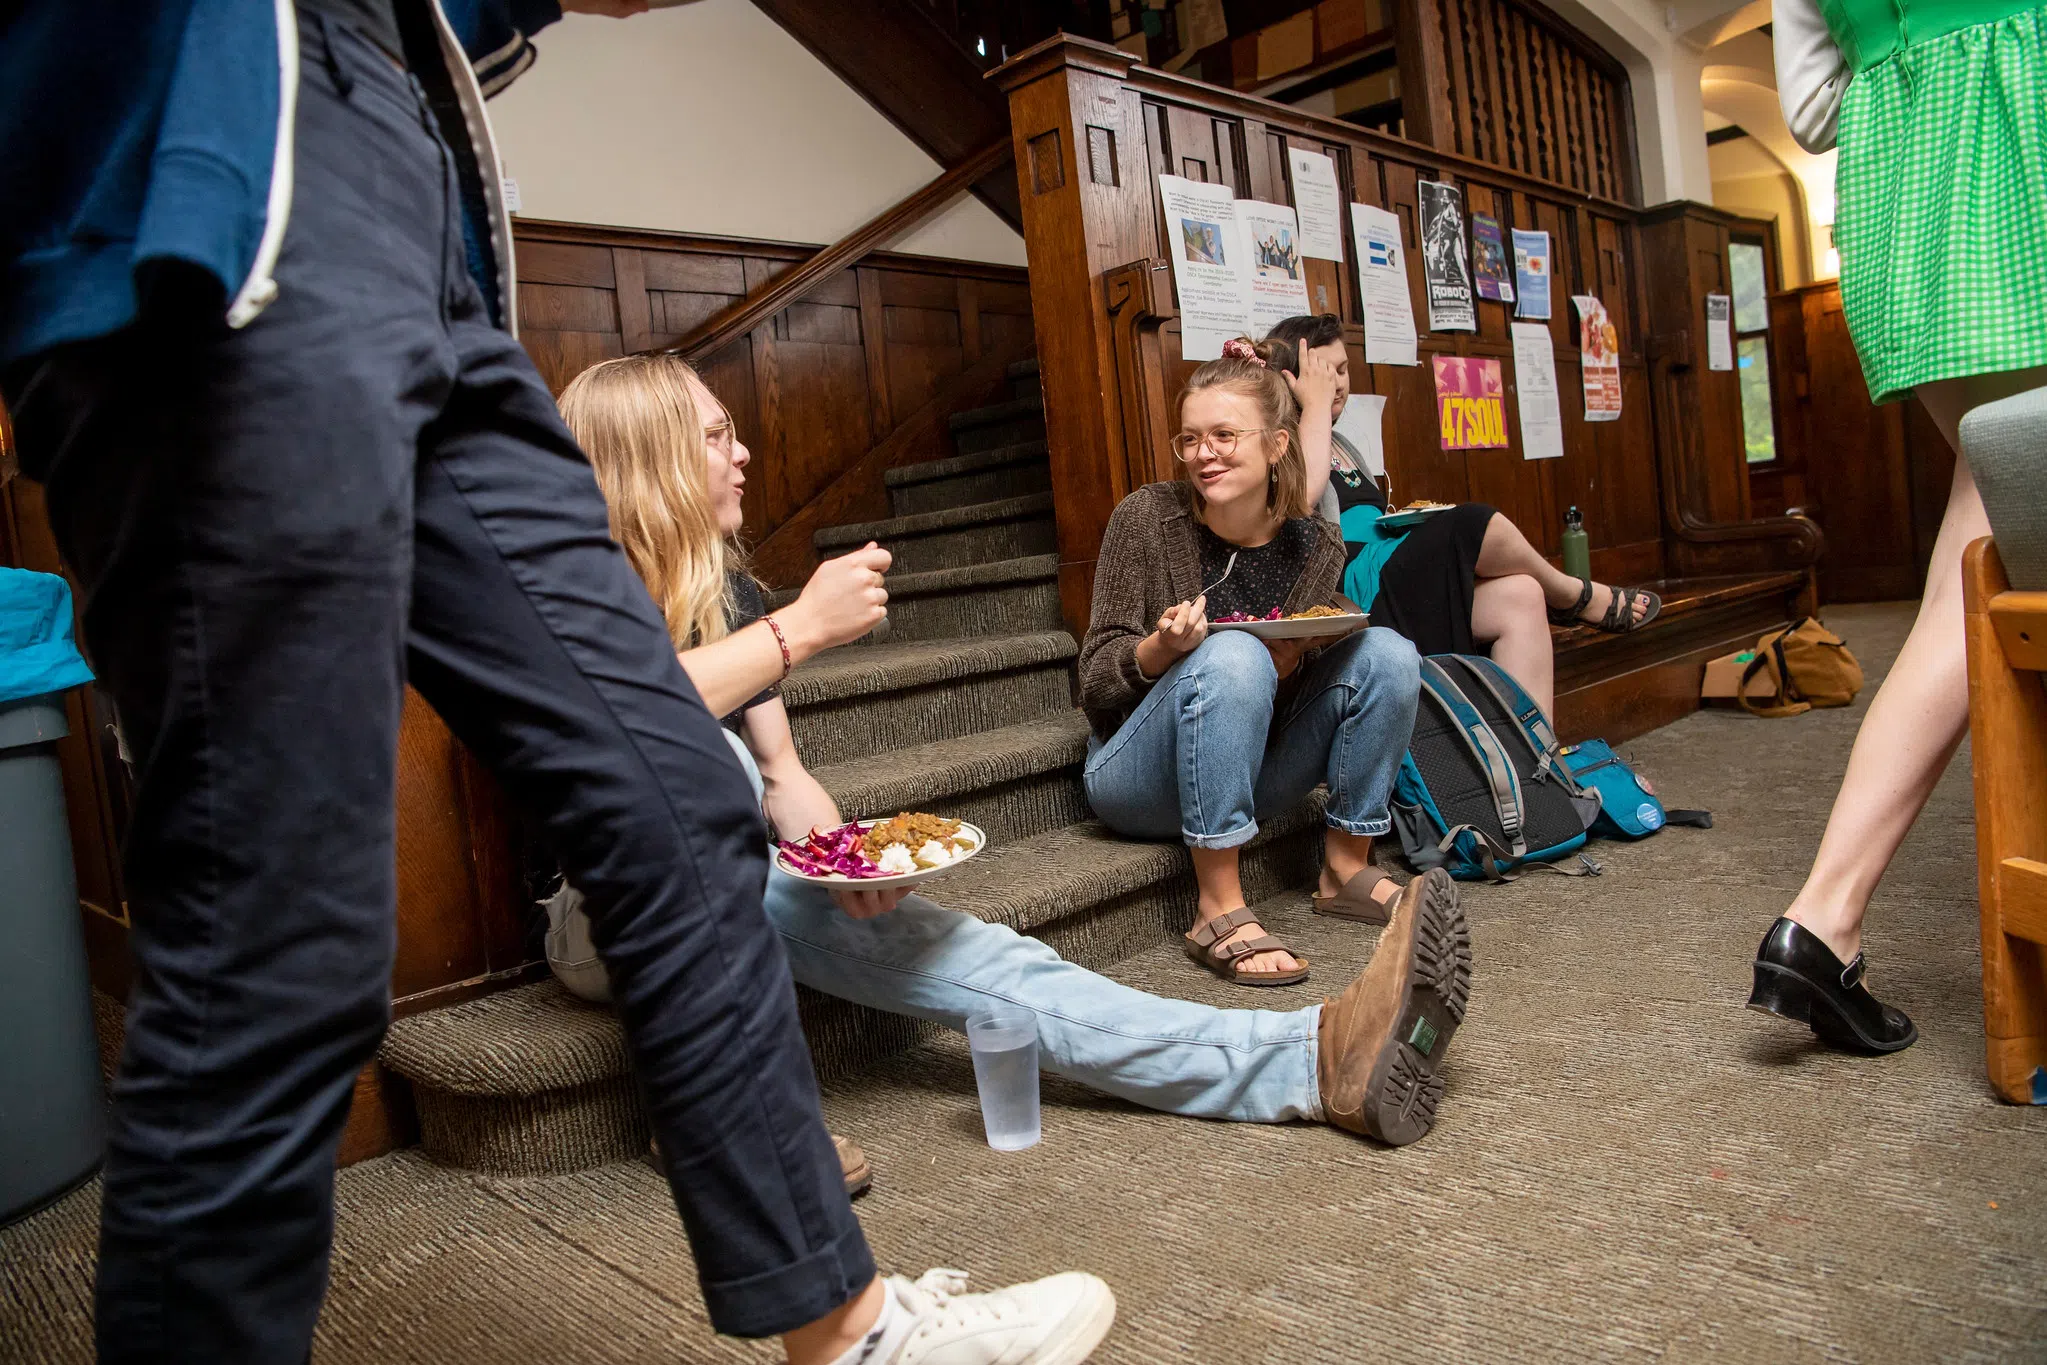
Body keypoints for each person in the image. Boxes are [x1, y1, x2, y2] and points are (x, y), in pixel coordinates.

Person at [0, 4, 1111, 1362]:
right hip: (217, 182)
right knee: (273, 951)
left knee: (676, 804)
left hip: (418, 208)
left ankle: (848, 1334)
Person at [550, 351, 1472, 1150]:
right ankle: (730, 1113)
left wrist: (847, 867)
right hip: (611, 919)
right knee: (718, 764)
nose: (742, 451)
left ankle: (1303, 1061)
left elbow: (789, 777)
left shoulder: (729, 591)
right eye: (717, 436)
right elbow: (617, 720)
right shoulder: (563, 595)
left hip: (739, 878)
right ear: (656, 461)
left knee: (986, 955)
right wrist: (798, 632)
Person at [1749, 1, 2047, 1054]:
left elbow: (1813, 108)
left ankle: (1821, 922)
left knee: (1986, 544)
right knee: (2004, 542)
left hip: (1911, 215)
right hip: (2025, 140)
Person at [1074, 340, 1469, 1012]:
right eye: (1191, 437)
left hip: (1250, 770)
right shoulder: (1147, 517)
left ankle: (1345, 866)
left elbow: (1325, 655)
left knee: (1388, 651)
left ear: (1276, 443)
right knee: (1234, 655)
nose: (1205, 453)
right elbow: (1094, 685)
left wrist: (1298, 659)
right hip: (1135, 777)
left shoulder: (1312, 542)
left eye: (1225, 435)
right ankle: (1217, 904)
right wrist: (1161, 651)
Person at [1262, 315, 1659, 721]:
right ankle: (1573, 595)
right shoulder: (1281, 444)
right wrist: (1311, 408)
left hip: (1392, 561)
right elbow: (1302, 508)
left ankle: (1537, 763)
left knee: (1521, 595)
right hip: (1355, 584)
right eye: (1326, 374)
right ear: (1295, 379)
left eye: (1344, 370)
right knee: (1475, 522)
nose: (1339, 383)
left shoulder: (1341, 440)